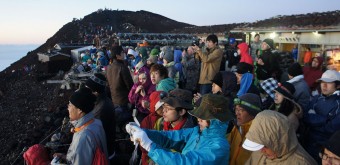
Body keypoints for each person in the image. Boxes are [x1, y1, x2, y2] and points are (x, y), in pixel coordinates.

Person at [126, 94, 233, 165]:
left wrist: (150, 146)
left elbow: (186, 162)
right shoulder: (197, 131)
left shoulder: (219, 147)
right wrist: (142, 131)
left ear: (215, 120)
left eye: (203, 117)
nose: (198, 119)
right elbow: (169, 137)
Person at [53, 87, 108, 164]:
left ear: (79, 110)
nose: (68, 108)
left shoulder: (82, 137)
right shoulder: (96, 122)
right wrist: (65, 157)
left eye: (70, 105)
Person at [242, 110, 317, 165]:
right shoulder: (260, 152)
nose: (262, 151)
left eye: (265, 146)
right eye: (258, 144)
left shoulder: (302, 162)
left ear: (279, 141)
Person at [303, 69, 340, 163]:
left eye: (329, 82)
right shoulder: (317, 98)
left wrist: (313, 118)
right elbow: (304, 115)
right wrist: (324, 119)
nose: (324, 85)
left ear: (338, 85)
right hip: (307, 142)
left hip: (323, 150)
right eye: (322, 82)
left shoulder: (338, 104)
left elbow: (330, 129)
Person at [85, 73, 116, 160]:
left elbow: (93, 130)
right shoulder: (101, 100)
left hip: (104, 152)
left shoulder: (102, 107)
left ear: (95, 91)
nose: (86, 91)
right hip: (106, 148)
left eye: (88, 89)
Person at [228, 93, 262, 165]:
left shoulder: (258, 134)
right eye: (236, 109)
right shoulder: (238, 127)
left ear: (252, 113)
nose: (237, 113)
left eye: (241, 110)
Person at [106, 45, 134, 126]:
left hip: (114, 101)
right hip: (124, 102)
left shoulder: (109, 67)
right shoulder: (122, 67)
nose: (124, 54)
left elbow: (108, 85)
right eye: (122, 52)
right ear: (117, 55)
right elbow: (130, 86)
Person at [140, 91, 164, 165]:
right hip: (150, 157)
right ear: (154, 106)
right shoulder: (147, 121)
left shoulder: (168, 118)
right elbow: (143, 146)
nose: (164, 109)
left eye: (165, 105)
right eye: (161, 107)